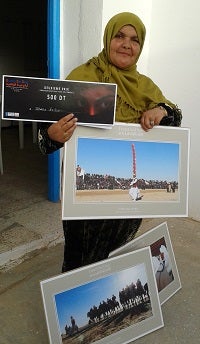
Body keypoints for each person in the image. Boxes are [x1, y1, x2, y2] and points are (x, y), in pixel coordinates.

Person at [38, 12, 182, 272]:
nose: (127, 44)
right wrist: (52, 135)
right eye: (119, 36)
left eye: (135, 39)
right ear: (108, 38)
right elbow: (45, 138)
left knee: (117, 252)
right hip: (81, 194)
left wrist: (161, 110)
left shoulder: (145, 87)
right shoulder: (81, 77)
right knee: (79, 257)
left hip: (127, 200)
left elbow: (174, 119)